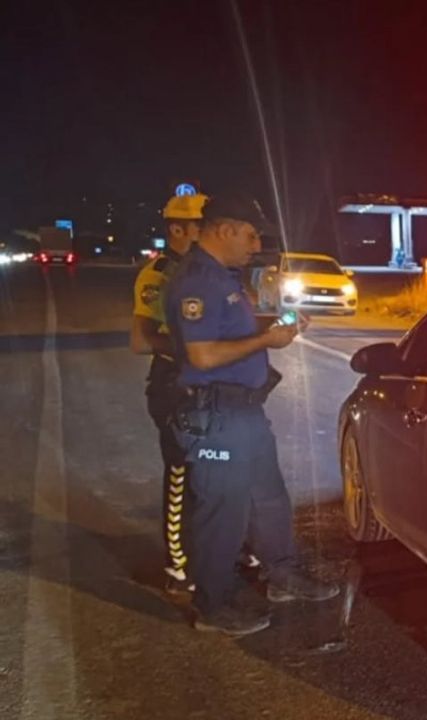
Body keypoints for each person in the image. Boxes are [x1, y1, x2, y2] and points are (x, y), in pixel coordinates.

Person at [165, 192, 337, 636]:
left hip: (244, 411)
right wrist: (266, 341)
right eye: (250, 235)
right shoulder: (198, 281)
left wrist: (274, 327)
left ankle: (281, 574)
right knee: (223, 511)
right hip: (216, 414)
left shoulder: (225, 277)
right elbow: (202, 355)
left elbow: (232, 330)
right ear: (225, 230)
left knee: (269, 498)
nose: (256, 244)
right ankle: (212, 605)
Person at [130, 191, 207, 593]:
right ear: (177, 230)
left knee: (213, 473)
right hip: (172, 385)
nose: (206, 233)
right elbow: (141, 340)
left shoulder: (208, 272)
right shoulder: (159, 275)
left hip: (207, 384)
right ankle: (178, 565)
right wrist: (194, 348)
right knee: (181, 475)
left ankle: (222, 548)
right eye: (200, 226)